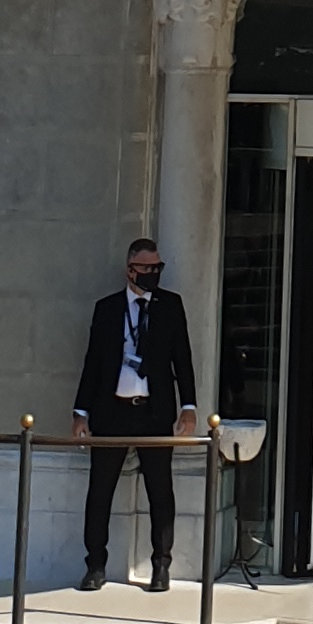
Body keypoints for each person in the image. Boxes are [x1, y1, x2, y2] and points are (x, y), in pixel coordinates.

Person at [72, 235, 196, 595]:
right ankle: (95, 566)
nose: (152, 273)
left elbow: (183, 359)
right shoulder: (107, 309)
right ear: (129, 270)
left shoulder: (170, 306)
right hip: (112, 411)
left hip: (154, 413)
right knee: (100, 491)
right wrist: (80, 412)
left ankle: (161, 565)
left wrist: (188, 406)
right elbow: (93, 363)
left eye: (157, 267)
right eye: (146, 268)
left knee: (160, 490)